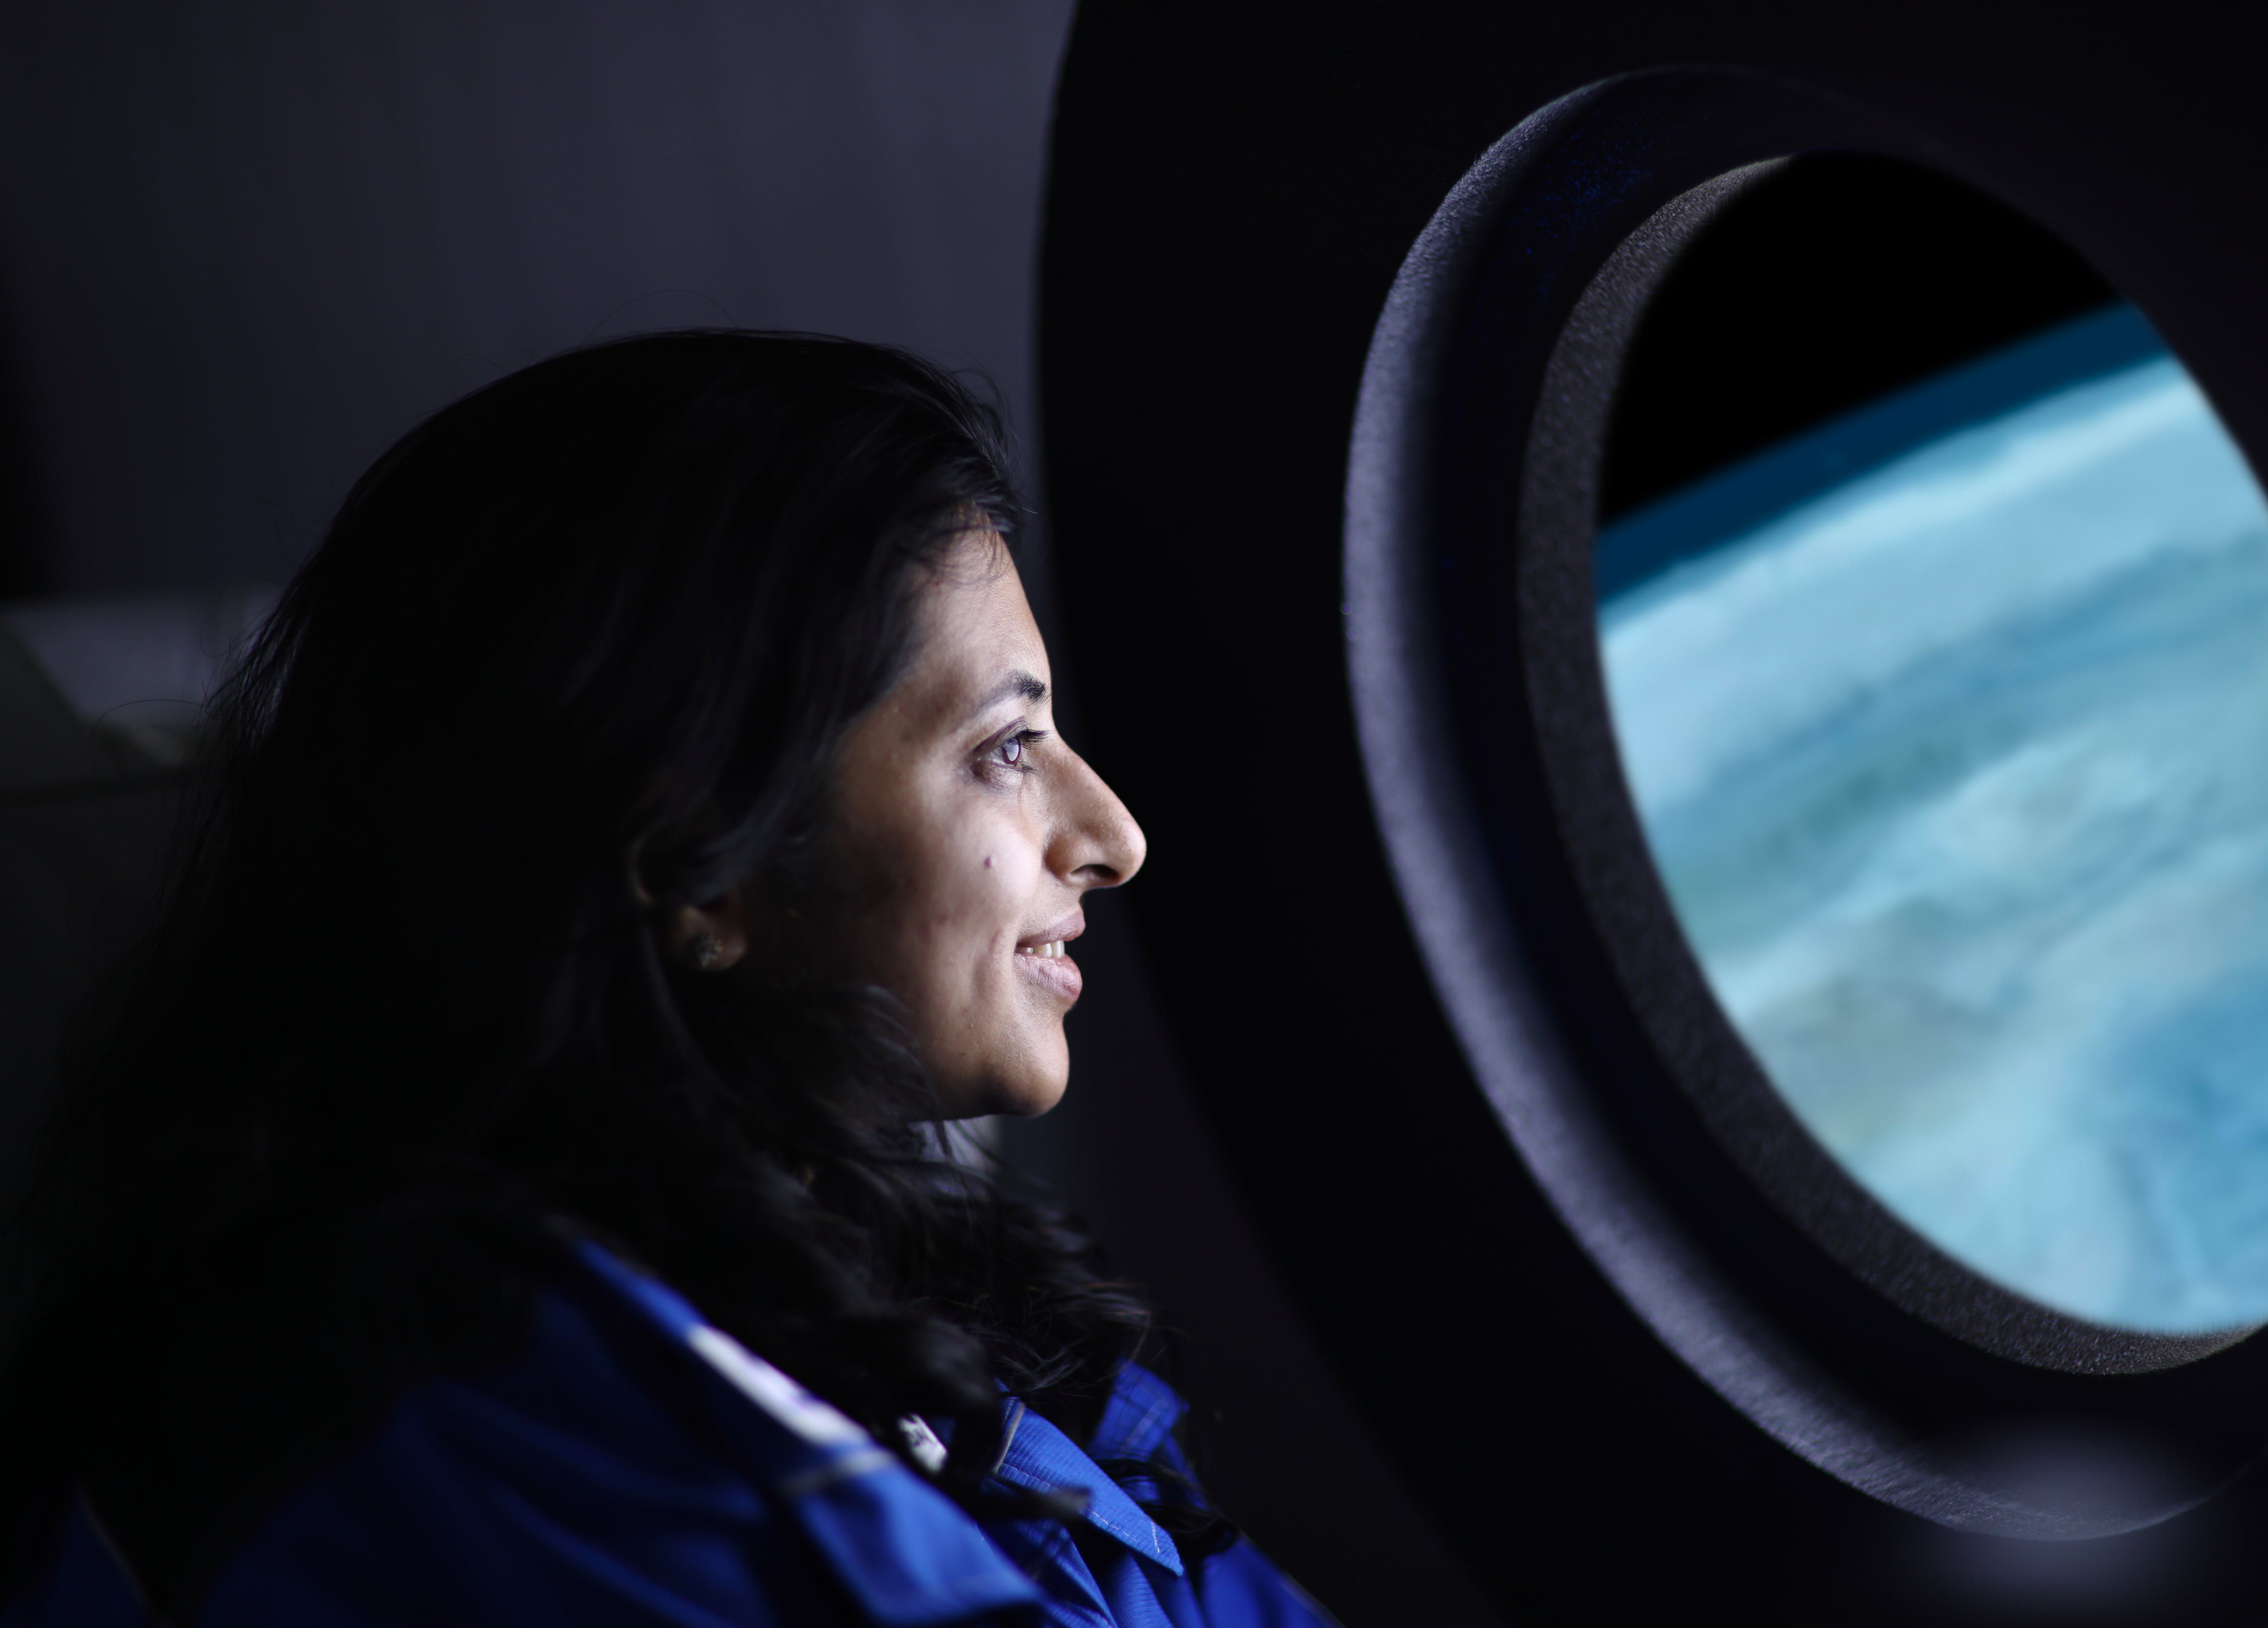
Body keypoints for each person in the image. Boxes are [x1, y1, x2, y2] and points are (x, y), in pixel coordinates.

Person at [0, 333, 1336, 1627]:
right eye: (1005, 749)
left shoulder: (933, 1314)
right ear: (697, 857)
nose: (1113, 837)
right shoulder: (449, 1391)